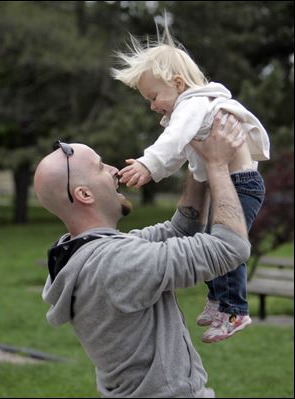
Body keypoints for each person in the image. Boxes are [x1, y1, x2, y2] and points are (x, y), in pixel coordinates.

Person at [34, 114, 250, 398]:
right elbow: (230, 247)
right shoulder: (116, 263)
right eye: (101, 166)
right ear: (85, 194)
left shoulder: (84, 254)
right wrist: (217, 166)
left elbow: (180, 229)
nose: (113, 169)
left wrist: (194, 157)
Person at [111, 22, 269, 343]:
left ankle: (235, 309)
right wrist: (159, 168)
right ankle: (218, 300)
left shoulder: (193, 104)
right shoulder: (193, 108)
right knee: (211, 241)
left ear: (178, 83)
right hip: (230, 181)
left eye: (154, 96)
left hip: (242, 184)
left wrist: (147, 164)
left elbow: (174, 140)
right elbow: (181, 156)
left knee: (223, 244)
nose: (153, 105)